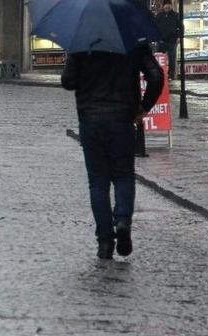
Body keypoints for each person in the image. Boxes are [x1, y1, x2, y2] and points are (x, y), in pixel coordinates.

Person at [61, 43, 163, 259]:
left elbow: (68, 82)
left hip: (91, 119)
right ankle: (123, 221)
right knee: (124, 175)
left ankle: (105, 240)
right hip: (122, 119)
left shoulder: (82, 40)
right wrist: (144, 106)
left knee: (98, 181)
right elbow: (156, 77)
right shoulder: (133, 39)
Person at [154, 0, 182, 80]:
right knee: (159, 58)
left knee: (172, 58)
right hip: (161, 41)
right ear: (163, 6)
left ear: (171, 6)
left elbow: (180, 27)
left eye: (169, 5)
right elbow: (155, 27)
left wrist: (179, 37)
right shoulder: (159, 16)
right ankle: (159, 74)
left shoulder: (176, 15)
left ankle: (171, 76)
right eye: (166, 5)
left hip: (172, 41)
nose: (167, 6)